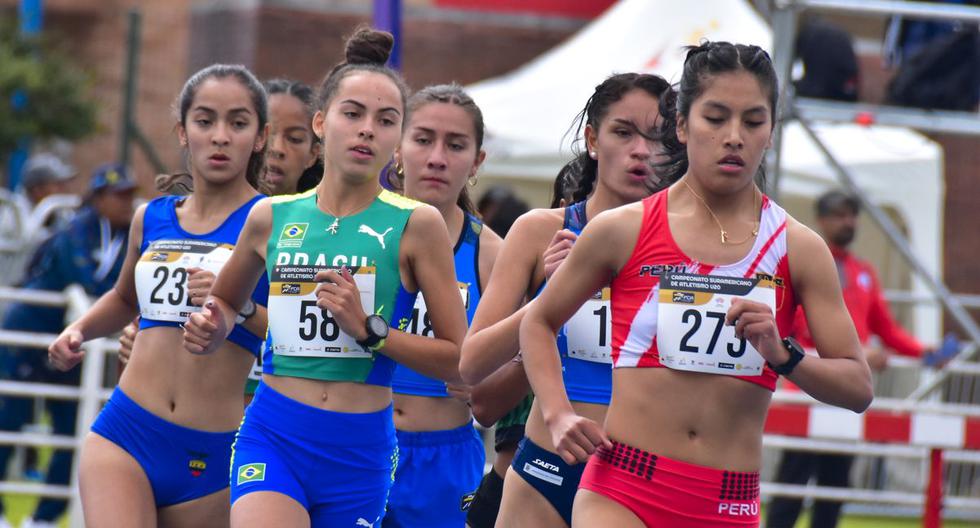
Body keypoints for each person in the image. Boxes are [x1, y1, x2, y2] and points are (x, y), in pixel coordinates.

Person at [519, 41, 873, 528]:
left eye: (753, 121)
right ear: (682, 126)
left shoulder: (800, 247)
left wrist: (783, 353)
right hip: (621, 490)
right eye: (716, 118)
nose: (734, 137)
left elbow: (858, 387)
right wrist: (557, 414)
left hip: (727, 502)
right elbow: (538, 320)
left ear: (770, 132)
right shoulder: (623, 229)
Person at [182, 27, 467, 528]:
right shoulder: (270, 216)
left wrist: (369, 330)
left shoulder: (417, 225)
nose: (366, 130)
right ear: (320, 122)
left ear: (398, 140)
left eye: (385, 120)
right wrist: (210, 326)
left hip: (359, 451)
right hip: (274, 434)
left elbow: (458, 360)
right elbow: (225, 304)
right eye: (352, 113)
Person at [47, 64, 271, 527]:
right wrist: (79, 329)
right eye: (205, 121)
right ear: (183, 131)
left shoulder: (274, 224)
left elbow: (293, 335)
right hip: (127, 431)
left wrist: (237, 305)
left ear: (261, 137)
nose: (221, 136)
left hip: (213, 451)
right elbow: (125, 299)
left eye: (238, 123)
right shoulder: (151, 217)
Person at [459, 72, 672, 528]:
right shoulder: (540, 231)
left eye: (657, 138)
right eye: (623, 132)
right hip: (546, 467)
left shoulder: (684, 247)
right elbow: (472, 366)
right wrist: (549, 297)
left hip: (641, 470)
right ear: (593, 140)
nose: (641, 150)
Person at [765, 189, 933, 528]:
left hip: (843, 390)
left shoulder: (863, 272)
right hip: (807, 391)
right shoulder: (804, 261)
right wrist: (861, 352)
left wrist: (923, 352)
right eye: (840, 215)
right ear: (823, 220)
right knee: (791, 484)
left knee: (836, 484)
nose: (848, 221)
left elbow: (886, 327)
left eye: (852, 215)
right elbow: (795, 325)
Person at [381, 83, 502, 528]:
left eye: (455, 145)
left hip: (444, 461)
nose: (437, 157)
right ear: (397, 148)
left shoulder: (491, 252)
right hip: (358, 442)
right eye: (423, 139)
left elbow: (533, 346)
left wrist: (493, 376)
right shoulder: (355, 233)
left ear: (477, 161)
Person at [0, 163, 134, 528]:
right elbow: (88, 279)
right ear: (98, 198)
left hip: (74, 345)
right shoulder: (74, 231)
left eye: (128, 194)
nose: (126, 202)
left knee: (72, 426)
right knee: (8, 419)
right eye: (117, 195)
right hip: (31, 335)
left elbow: (116, 286)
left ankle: (44, 518)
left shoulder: (129, 237)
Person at [464, 168, 572, 528]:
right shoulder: (523, 295)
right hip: (521, 478)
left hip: (611, 483)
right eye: (574, 213)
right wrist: (545, 320)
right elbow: (483, 403)